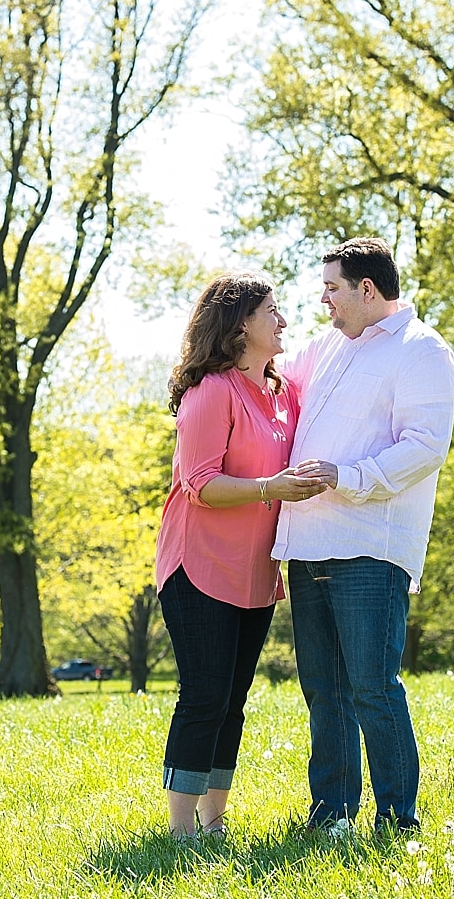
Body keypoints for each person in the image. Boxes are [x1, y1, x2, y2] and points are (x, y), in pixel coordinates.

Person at [272, 237, 454, 837]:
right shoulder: (327, 346)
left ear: (367, 289)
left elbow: (425, 448)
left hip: (369, 548)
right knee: (323, 692)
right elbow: (270, 377)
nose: (324, 301)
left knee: (373, 688)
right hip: (307, 545)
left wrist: (346, 478)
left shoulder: (421, 351)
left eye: (331, 289)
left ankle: (397, 820)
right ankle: (331, 815)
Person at [154, 272, 329, 841]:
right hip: (198, 566)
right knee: (205, 694)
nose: (282, 321)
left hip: (255, 571)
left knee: (233, 701)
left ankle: (214, 822)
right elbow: (200, 484)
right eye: (271, 311)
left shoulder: (283, 394)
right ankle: (181, 830)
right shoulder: (211, 392)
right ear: (239, 325)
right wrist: (269, 487)